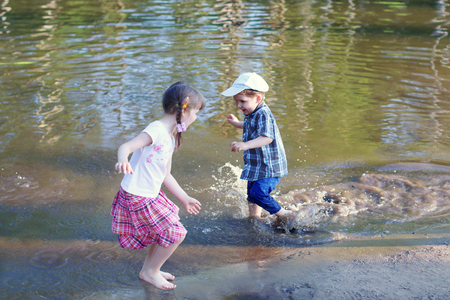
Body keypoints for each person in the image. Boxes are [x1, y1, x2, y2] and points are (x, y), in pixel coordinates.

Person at [111, 81, 205, 290]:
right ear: (185, 105)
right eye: (196, 112)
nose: (196, 118)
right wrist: (123, 160)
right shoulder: (156, 130)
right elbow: (126, 146)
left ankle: (149, 270)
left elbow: (166, 175)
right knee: (176, 233)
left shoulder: (170, 137)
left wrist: (185, 197)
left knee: (162, 232)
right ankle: (152, 272)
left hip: (149, 194)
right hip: (137, 195)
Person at [223, 72, 291, 222]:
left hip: (269, 166)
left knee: (258, 193)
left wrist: (245, 145)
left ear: (258, 98)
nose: (238, 106)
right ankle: (254, 218)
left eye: (242, 101)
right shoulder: (253, 112)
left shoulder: (263, 114)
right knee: (251, 195)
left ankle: (285, 215)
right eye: (236, 101)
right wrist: (236, 124)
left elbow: (267, 138)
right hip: (257, 164)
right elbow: (249, 125)